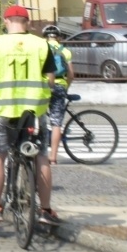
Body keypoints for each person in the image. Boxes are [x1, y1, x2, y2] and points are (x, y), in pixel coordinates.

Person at [0, 5, 56, 225]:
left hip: (5, 110)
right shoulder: (42, 44)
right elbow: (51, 80)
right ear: (27, 22)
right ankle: (45, 210)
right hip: (35, 109)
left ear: (6, 21)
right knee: (41, 156)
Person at [41, 23, 75, 164]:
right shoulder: (65, 51)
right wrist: (65, 87)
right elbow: (71, 74)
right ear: (59, 37)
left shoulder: (41, 49)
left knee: (39, 119)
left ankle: (39, 155)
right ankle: (53, 158)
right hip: (59, 85)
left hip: (43, 86)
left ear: (44, 37)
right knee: (56, 123)